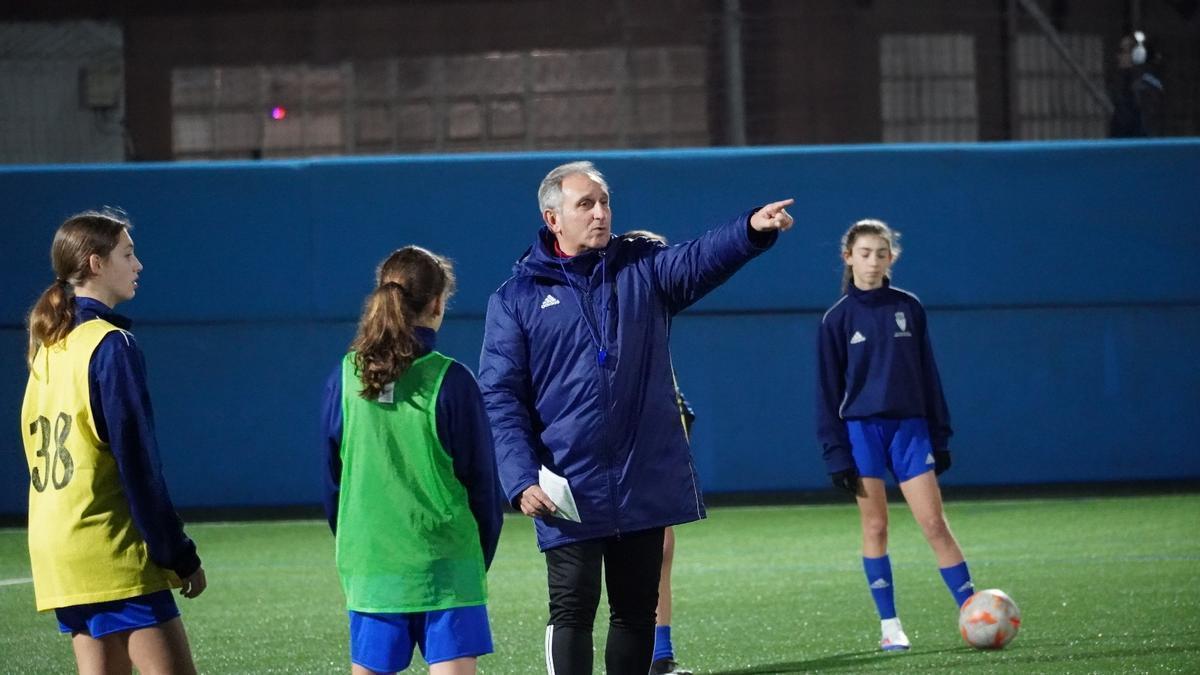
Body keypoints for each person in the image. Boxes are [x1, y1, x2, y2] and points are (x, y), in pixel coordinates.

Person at [480, 161, 793, 674]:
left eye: (604, 202)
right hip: (567, 483)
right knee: (573, 612)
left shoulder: (641, 267)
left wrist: (749, 231)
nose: (601, 213)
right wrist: (518, 479)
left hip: (640, 476)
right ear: (553, 217)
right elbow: (501, 396)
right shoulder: (516, 298)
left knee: (634, 614)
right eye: (586, 204)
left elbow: (698, 260)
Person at [21, 209, 206, 674]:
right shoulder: (109, 345)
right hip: (109, 548)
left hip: (57, 549)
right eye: (127, 253)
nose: (138, 264)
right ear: (96, 263)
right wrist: (177, 554)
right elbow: (139, 466)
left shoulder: (49, 348)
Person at [320, 245, 503, 675]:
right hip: (446, 567)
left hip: (372, 566)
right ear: (438, 303)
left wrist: (357, 547)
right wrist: (474, 562)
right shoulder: (452, 380)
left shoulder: (344, 376)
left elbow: (333, 483)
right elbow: (483, 487)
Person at [815, 219, 975, 652]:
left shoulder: (909, 307)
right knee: (876, 526)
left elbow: (929, 375)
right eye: (864, 253)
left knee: (934, 523)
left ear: (892, 258)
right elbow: (827, 394)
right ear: (848, 257)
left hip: (910, 429)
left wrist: (939, 437)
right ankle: (890, 626)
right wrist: (836, 455)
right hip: (862, 432)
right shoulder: (836, 320)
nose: (872, 262)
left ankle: (974, 612)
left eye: (881, 253)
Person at [622, 229, 695, 675]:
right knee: (590, 567)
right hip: (604, 451)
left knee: (660, 546)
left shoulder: (655, 320)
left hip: (651, 434)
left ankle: (659, 655)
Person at [1109, 30, 1164, 138]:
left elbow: (1146, 124)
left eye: (1122, 51)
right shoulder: (1123, 82)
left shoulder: (1148, 86)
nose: (1118, 56)